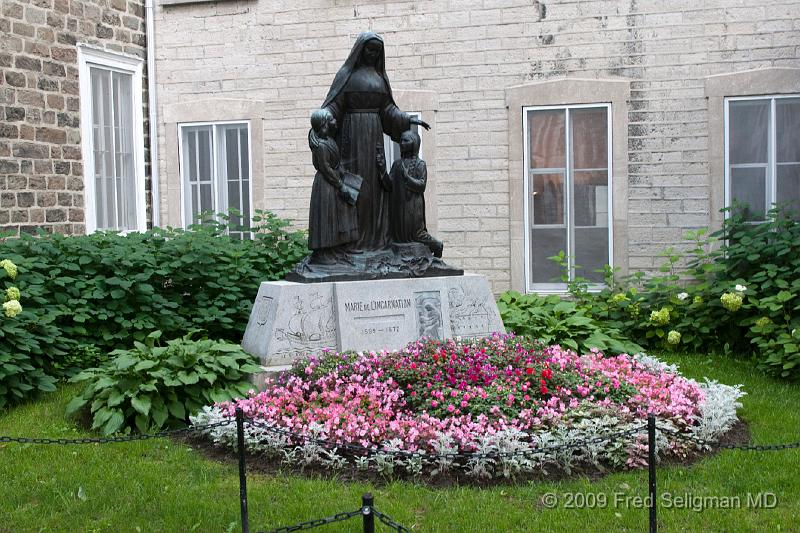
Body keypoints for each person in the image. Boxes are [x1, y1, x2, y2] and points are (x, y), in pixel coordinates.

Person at [321, 31, 430, 250]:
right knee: (355, 186)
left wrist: (408, 118)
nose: (372, 54)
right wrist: (323, 118)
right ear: (360, 50)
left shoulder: (380, 78)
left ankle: (373, 242)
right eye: (369, 49)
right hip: (351, 139)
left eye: (377, 51)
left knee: (373, 187)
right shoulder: (346, 75)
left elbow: (388, 109)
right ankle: (352, 242)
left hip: (373, 136)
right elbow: (334, 105)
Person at [379, 129, 443, 257]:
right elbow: (389, 184)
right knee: (400, 234)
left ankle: (437, 245)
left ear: (413, 143)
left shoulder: (420, 164)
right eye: (401, 140)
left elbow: (421, 185)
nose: (401, 143)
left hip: (413, 205)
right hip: (399, 204)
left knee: (416, 233)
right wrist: (382, 170)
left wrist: (407, 177)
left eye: (405, 140)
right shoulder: (397, 164)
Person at [306, 108, 358, 264]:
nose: (335, 122)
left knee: (334, 218)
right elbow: (325, 168)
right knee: (326, 218)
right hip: (326, 185)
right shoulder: (321, 146)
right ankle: (324, 254)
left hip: (333, 182)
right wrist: (341, 185)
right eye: (332, 120)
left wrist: (342, 172)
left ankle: (334, 250)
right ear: (325, 124)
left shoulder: (330, 141)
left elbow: (335, 164)